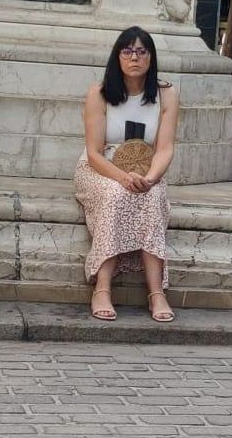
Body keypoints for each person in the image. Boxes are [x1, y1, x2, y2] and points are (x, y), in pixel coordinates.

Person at [74, 27, 180, 322]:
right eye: (127, 51)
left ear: (151, 57)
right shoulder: (99, 92)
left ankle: (156, 291)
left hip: (147, 170)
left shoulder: (166, 94)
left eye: (142, 51)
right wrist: (122, 177)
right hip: (100, 168)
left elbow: (165, 148)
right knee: (117, 194)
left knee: (152, 195)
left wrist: (151, 177)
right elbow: (94, 152)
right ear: (117, 56)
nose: (135, 57)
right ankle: (103, 288)